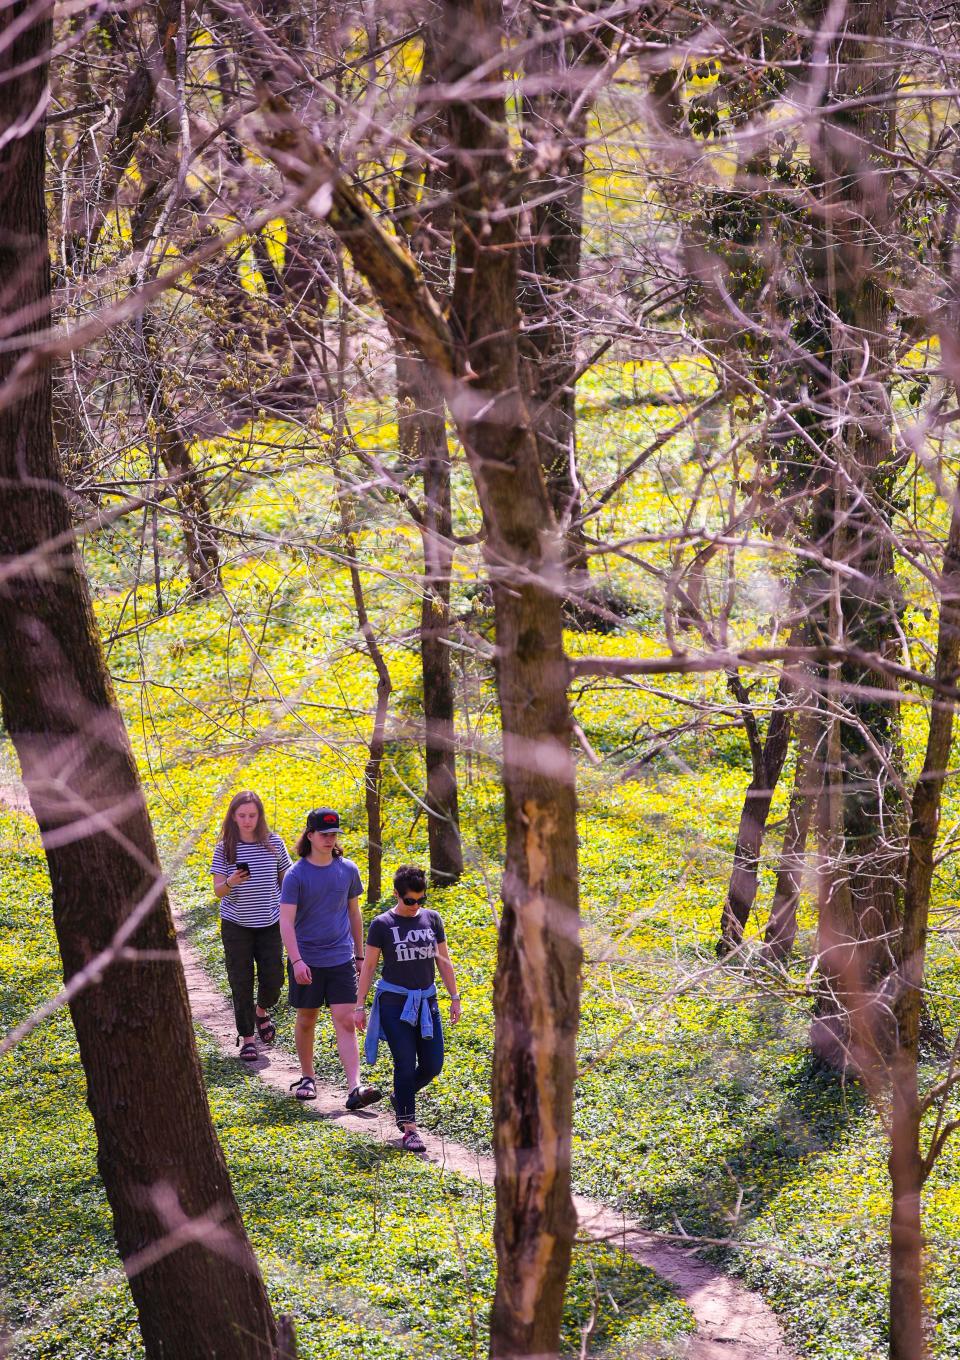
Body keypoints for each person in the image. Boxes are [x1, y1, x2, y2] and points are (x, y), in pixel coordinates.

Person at [279, 807, 382, 1109]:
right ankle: (308, 1077)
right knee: (307, 1018)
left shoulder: (347, 869)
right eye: (324, 834)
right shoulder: (296, 875)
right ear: (309, 835)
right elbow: (286, 921)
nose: (329, 839)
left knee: (346, 1020)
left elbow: (354, 912)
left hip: (340, 959)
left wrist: (360, 955)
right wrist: (296, 960)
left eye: (334, 834)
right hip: (307, 960)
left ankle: (355, 1087)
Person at [356, 864, 461, 1153]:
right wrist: (359, 1005)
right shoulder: (382, 925)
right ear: (396, 895)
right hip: (394, 1003)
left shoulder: (433, 919)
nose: (416, 906)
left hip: (427, 1002)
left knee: (432, 1064)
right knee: (404, 1062)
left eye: (420, 900)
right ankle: (409, 1129)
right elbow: (369, 968)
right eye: (409, 900)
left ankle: (400, 1096)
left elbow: (443, 960)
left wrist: (454, 996)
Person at [211, 790, 291, 1061]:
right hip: (236, 925)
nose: (247, 820)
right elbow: (218, 891)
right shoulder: (225, 847)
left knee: (274, 978)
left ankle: (261, 1011)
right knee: (241, 980)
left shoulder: (274, 843)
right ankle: (247, 1038)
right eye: (242, 815)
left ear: (260, 817)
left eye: (252, 815)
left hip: (270, 922)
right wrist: (232, 880)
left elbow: (287, 881)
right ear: (233, 816)